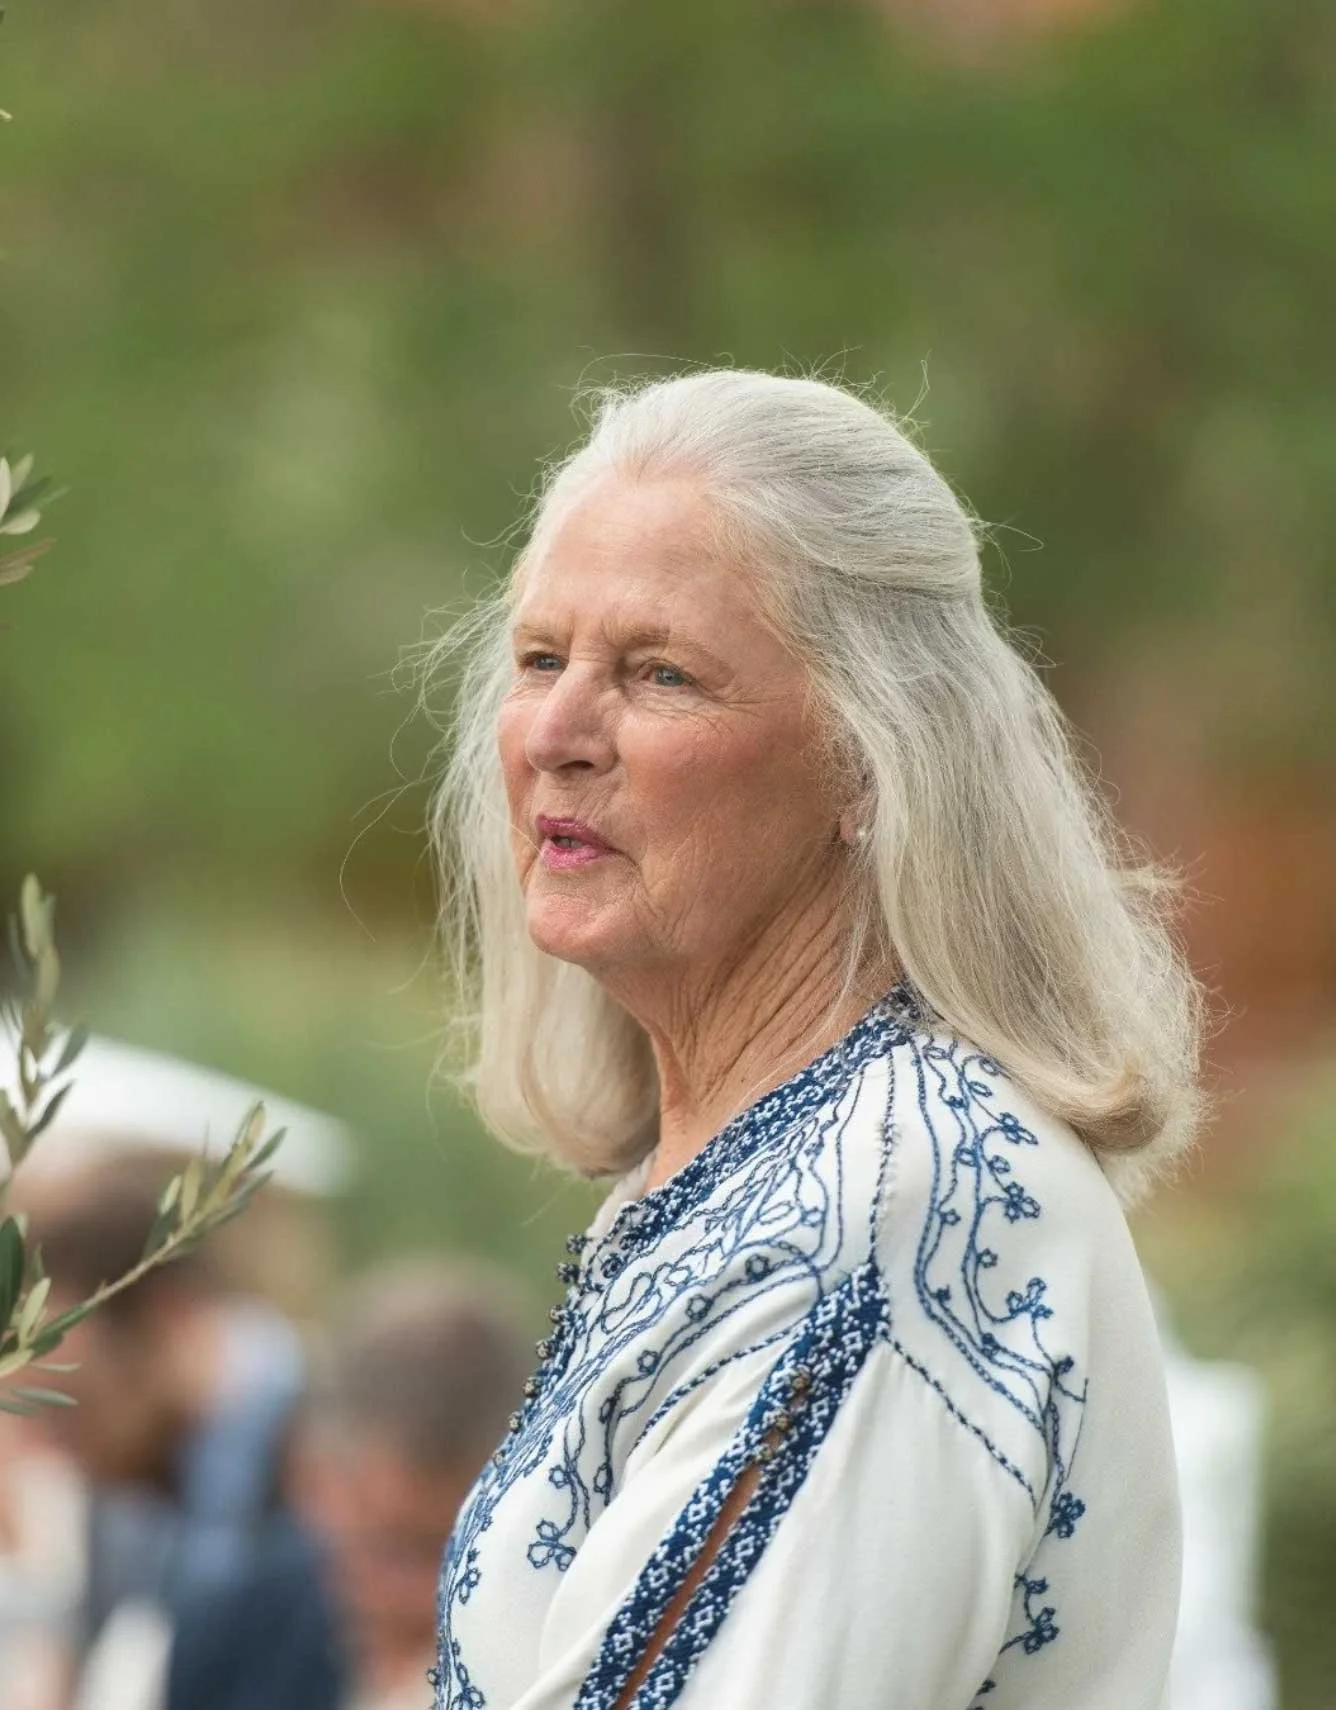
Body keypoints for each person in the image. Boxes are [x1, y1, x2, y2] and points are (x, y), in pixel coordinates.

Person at [425, 370, 1204, 1709]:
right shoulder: (766, 1166)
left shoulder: (898, 1210)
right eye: (541, 657)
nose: (554, 733)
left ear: (866, 757)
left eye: (659, 673)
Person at [23, 1148, 316, 1710]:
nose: (52, 1446)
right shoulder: (126, 1483)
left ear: (169, 1316)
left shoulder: (319, 1475)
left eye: (74, 1405)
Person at [293, 1263, 533, 1710]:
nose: (419, 1602)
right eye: (391, 1551)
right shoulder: (229, 1643)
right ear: (315, 1483)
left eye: (458, 1559)